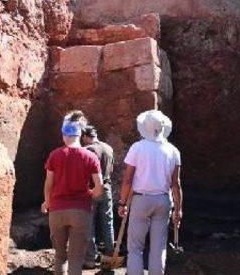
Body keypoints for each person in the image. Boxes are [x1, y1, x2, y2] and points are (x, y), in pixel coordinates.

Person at [118, 110, 182, 275]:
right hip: (163, 200)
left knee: (135, 248)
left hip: (141, 200)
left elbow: (127, 180)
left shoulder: (137, 148)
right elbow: (176, 184)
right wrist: (178, 209)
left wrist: (122, 203)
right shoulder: (173, 151)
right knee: (158, 247)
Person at [42, 110, 104, 275]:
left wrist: (47, 202)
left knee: (60, 256)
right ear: (80, 134)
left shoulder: (55, 155)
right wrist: (90, 194)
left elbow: (49, 184)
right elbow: (100, 186)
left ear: (64, 134)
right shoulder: (90, 157)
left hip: (56, 210)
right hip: (81, 211)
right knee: (76, 259)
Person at [80, 125, 115, 269]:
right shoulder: (109, 148)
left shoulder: (87, 150)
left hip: (91, 189)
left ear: (85, 136)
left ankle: (89, 259)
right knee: (108, 223)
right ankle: (110, 258)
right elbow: (111, 169)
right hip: (106, 188)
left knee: (89, 225)